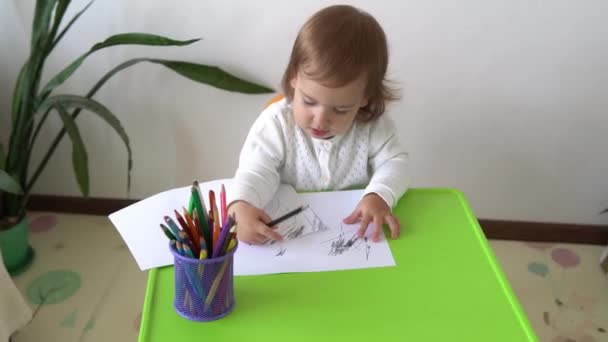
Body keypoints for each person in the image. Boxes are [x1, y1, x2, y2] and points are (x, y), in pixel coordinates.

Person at [228, 5, 409, 245]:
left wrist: (380, 195)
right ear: (294, 77)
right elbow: (256, 171)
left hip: (353, 238)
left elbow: (395, 162)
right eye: (309, 101)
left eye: (341, 109)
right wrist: (241, 205)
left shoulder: (372, 126)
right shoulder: (277, 123)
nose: (321, 120)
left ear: (365, 97)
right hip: (291, 240)